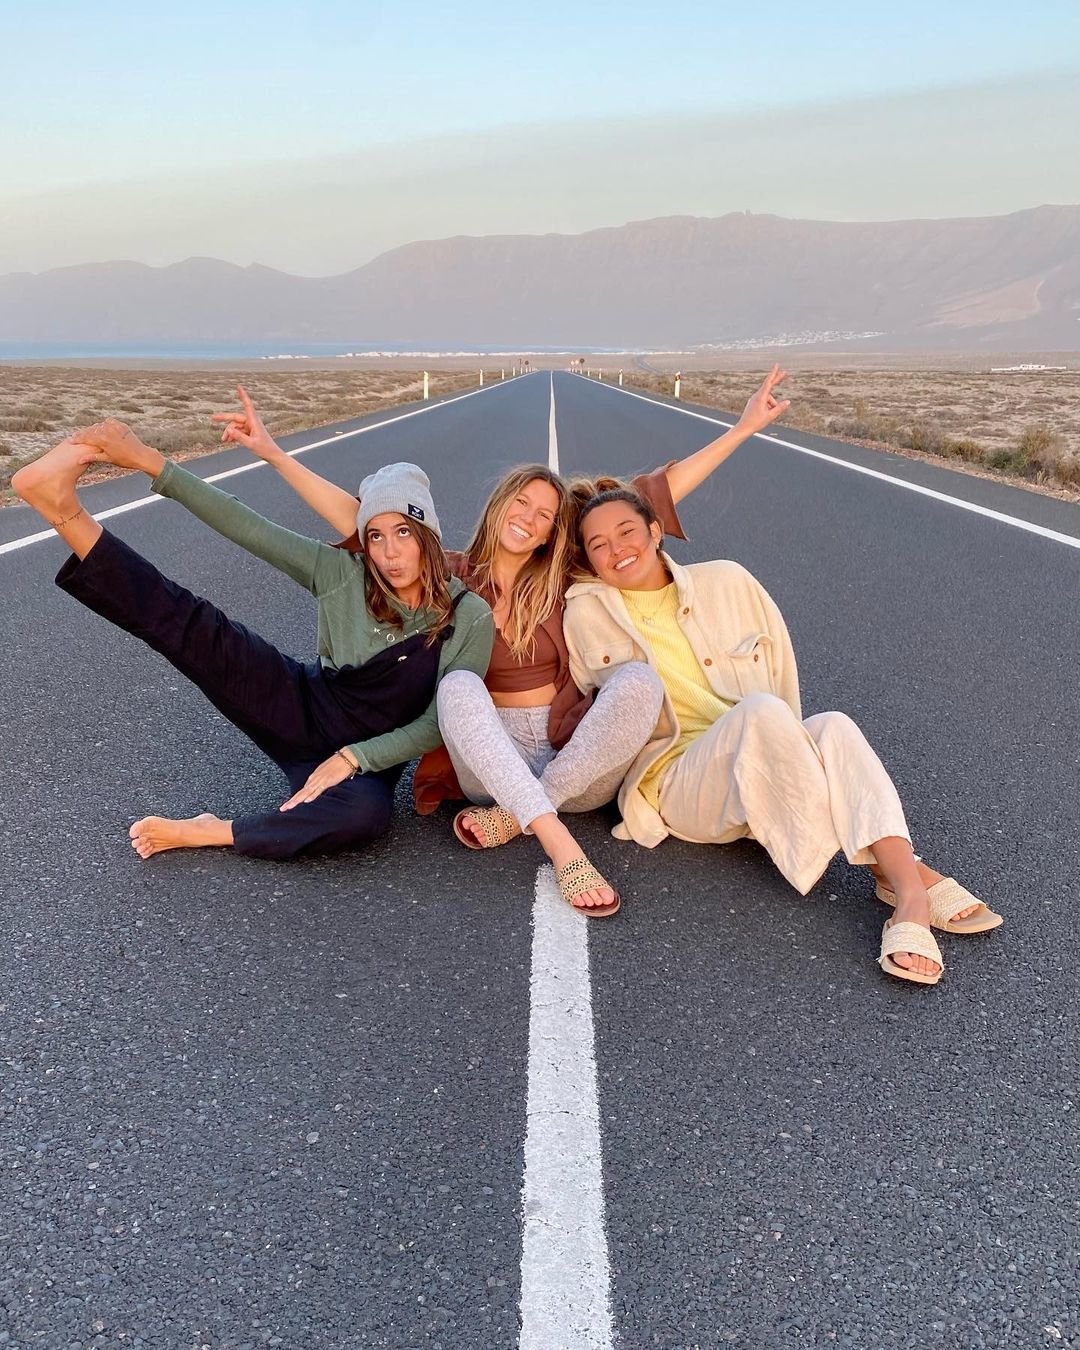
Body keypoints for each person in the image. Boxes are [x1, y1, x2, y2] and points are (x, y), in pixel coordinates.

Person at [207, 369, 792, 915]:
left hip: (576, 757)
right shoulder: (450, 575)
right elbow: (361, 519)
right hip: (487, 760)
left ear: (552, 532)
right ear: (500, 504)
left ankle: (519, 816)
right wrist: (273, 454)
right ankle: (563, 849)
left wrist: (741, 430)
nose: (529, 519)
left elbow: (646, 501)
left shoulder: (565, 574)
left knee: (639, 681)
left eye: (545, 515)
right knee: (458, 685)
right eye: (522, 503)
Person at [563, 485, 1003, 981]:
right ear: (589, 560)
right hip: (679, 785)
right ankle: (901, 871)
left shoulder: (728, 581)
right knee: (761, 713)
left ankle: (907, 894)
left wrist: (789, 761)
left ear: (656, 531)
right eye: (598, 545)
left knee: (833, 726)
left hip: (761, 747)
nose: (617, 549)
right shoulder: (585, 614)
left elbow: (780, 672)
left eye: (627, 532)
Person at [11, 423, 493, 862]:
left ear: (428, 535)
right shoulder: (342, 573)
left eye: (404, 532)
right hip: (298, 706)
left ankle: (210, 831)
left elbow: (438, 722)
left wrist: (353, 759)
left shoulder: (467, 614)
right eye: (376, 536)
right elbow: (246, 526)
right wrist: (151, 462)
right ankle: (62, 507)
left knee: (365, 817)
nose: (390, 553)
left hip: (369, 765)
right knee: (189, 625)